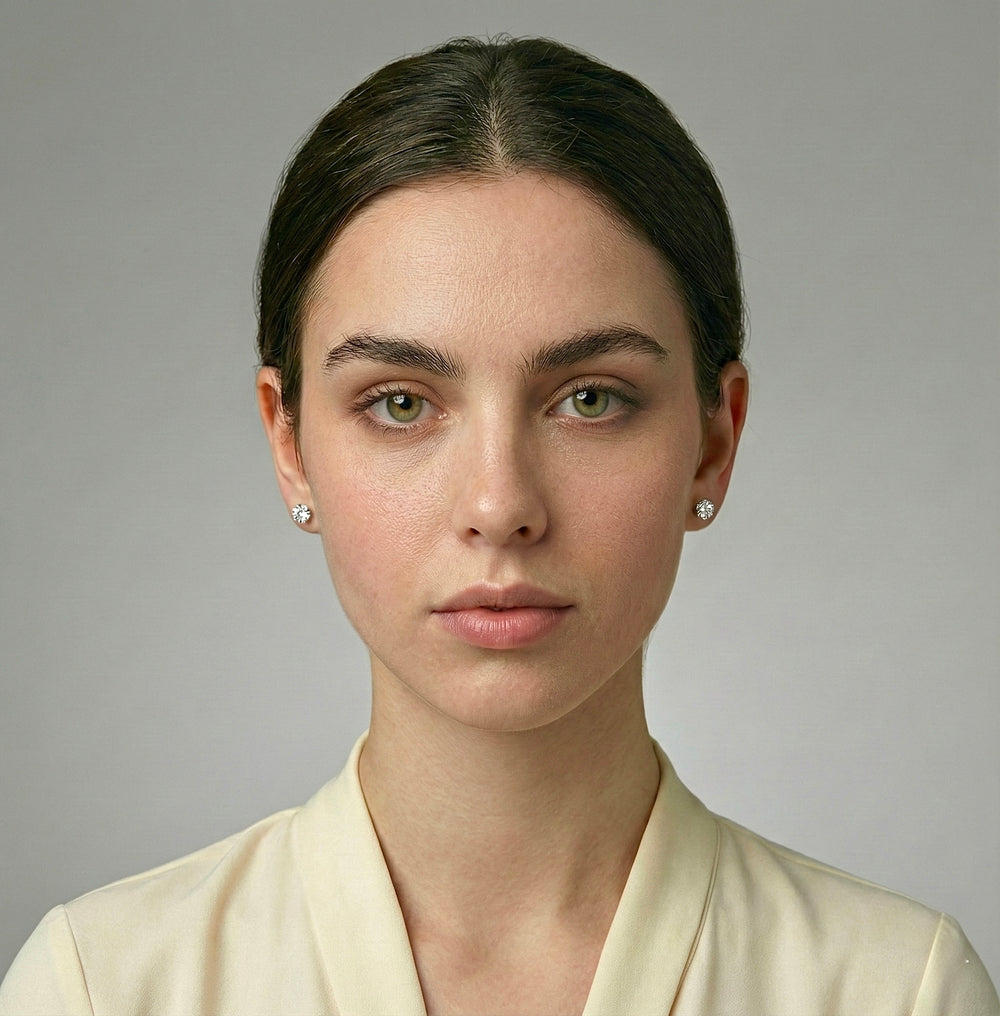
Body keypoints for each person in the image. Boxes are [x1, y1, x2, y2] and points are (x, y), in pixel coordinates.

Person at [1, 35, 996, 1016]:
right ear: (290, 442)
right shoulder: (105, 985)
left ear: (711, 441)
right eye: (399, 402)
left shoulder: (892, 988)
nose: (499, 505)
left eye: (591, 399)